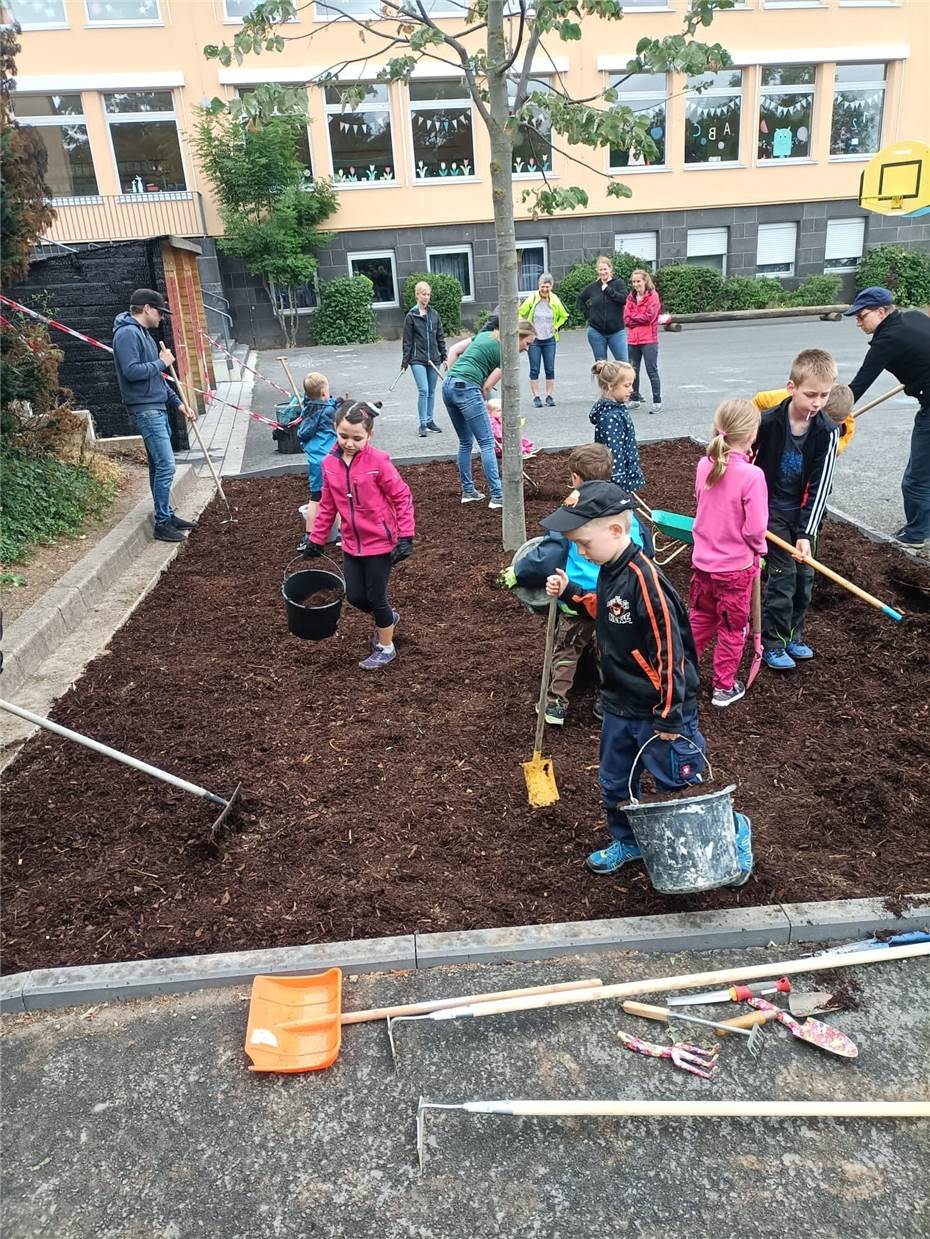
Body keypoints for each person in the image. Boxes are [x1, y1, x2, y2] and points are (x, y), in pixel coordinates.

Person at [542, 480, 752, 885]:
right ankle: (630, 840)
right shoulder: (609, 570)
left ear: (617, 531)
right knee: (615, 780)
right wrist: (571, 593)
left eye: (583, 543)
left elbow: (672, 651)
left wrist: (671, 715)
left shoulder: (646, 581)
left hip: (661, 710)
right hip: (620, 704)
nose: (579, 552)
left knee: (680, 782)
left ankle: (733, 829)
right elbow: (606, 610)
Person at [303, 401, 415, 671]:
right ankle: (387, 619)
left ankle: (386, 647)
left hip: (380, 543)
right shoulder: (329, 464)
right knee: (355, 597)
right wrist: (316, 538)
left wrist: (406, 535)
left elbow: (401, 496)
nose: (349, 443)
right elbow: (328, 505)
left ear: (369, 436)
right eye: (343, 436)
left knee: (377, 598)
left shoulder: (378, 463)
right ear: (334, 429)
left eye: (357, 438)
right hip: (351, 543)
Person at [508, 444, 613, 725]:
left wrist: (520, 572)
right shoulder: (621, 509)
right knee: (608, 649)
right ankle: (608, 703)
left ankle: (555, 705)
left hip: (574, 596)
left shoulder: (571, 510)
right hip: (610, 597)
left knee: (566, 649)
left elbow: (550, 554)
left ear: (576, 479)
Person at [752, 348, 840, 671]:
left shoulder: (827, 432)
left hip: (805, 515)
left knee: (804, 576)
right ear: (792, 388)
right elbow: (748, 465)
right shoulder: (769, 422)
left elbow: (821, 488)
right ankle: (772, 642)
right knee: (783, 575)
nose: (817, 402)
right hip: (770, 511)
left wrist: (806, 532)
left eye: (824, 395)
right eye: (810, 394)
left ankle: (793, 636)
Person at [689, 399, 769, 708]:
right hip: (735, 570)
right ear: (751, 435)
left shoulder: (704, 464)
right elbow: (754, 529)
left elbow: (703, 504)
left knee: (700, 618)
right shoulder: (752, 476)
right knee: (734, 627)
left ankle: (680, 674)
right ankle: (723, 687)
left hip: (702, 563)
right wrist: (759, 550)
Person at [845, 285, 930, 549]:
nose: (858, 322)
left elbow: (858, 386)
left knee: (916, 477)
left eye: (863, 315)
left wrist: (830, 417)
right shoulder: (915, 317)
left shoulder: (887, 339)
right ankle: (922, 525)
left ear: (881, 311)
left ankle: (916, 536)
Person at [112, 288, 197, 543]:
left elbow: (156, 379)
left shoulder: (144, 334)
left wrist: (177, 402)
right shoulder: (127, 334)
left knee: (158, 465)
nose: (162, 317)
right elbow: (132, 371)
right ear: (147, 308)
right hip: (145, 409)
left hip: (157, 406)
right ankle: (162, 523)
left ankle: (166, 514)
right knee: (167, 465)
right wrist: (162, 362)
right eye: (160, 311)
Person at [441, 321, 536, 509]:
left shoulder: (485, 335)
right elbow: (487, 387)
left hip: (448, 386)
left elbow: (453, 350)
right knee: (487, 442)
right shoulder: (508, 353)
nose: (527, 348)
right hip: (468, 388)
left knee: (466, 442)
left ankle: (468, 491)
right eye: (528, 343)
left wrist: (452, 375)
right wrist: (482, 403)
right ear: (520, 336)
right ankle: (497, 495)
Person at [295, 372, 340, 554]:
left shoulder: (307, 409)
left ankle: (310, 536)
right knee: (341, 495)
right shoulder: (329, 411)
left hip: (314, 461)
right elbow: (337, 417)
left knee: (316, 498)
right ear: (323, 393)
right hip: (330, 460)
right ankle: (342, 534)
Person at [589, 360, 646, 492]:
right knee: (619, 509)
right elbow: (614, 451)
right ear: (610, 386)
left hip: (622, 475)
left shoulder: (617, 409)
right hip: (617, 480)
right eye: (627, 385)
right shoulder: (610, 417)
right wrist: (619, 482)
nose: (631, 390)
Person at [753, 383, 856, 455]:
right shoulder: (791, 397)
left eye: (836, 424)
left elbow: (837, 447)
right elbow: (758, 401)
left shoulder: (846, 424)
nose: (828, 425)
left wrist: (831, 448)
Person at [401, 281, 447, 439]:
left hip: (434, 358)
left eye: (428, 294)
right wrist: (404, 363)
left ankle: (429, 421)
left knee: (432, 391)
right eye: (423, 294)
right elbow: (407, 341)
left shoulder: (434, 314)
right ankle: (422, 423)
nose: (426, 297)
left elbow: (440, 336)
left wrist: (444, 356)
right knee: (424, 390)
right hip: (417, 359)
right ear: (417, 295)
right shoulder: (411, 316)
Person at [518, 273, 568, 407]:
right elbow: (521, 312)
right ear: (539, 286)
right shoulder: (533, 298)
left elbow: (564, 315)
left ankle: (550, 396)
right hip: (534, 340)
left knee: (550, 369)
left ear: (551, 287)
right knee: (534, 369)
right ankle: (536, 397)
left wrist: (556, 326)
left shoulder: (555, 299)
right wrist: (525, 327)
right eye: (542, 287)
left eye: (547, 287)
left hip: (549, 338)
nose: (545, 290)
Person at [623, 269, 663, 414]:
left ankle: (657, 401)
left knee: (652, 370)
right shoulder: (630, 297)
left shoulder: (653, 296)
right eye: (633, 281)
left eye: (638, 281)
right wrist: (636, 317)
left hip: (649, 339)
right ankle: (634, 399)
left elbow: (649, 317)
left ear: (645, 281)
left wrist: (635, 317)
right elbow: (626, 318)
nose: (636, 284)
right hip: (633, 339)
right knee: (633, 371)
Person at [577, 255, 629, 363]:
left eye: (605, 269)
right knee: (601, 366)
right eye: (600, 269)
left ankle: (625, 381)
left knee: (624, 363)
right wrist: (589, 315)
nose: (603, 272)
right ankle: (603, 381)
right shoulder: (593, 287)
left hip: (616, 332)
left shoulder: (619, 284)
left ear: (610, 269)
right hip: (597, 332)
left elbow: (624, 300)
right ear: (597, 271)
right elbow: (580, 300)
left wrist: (608, 290)